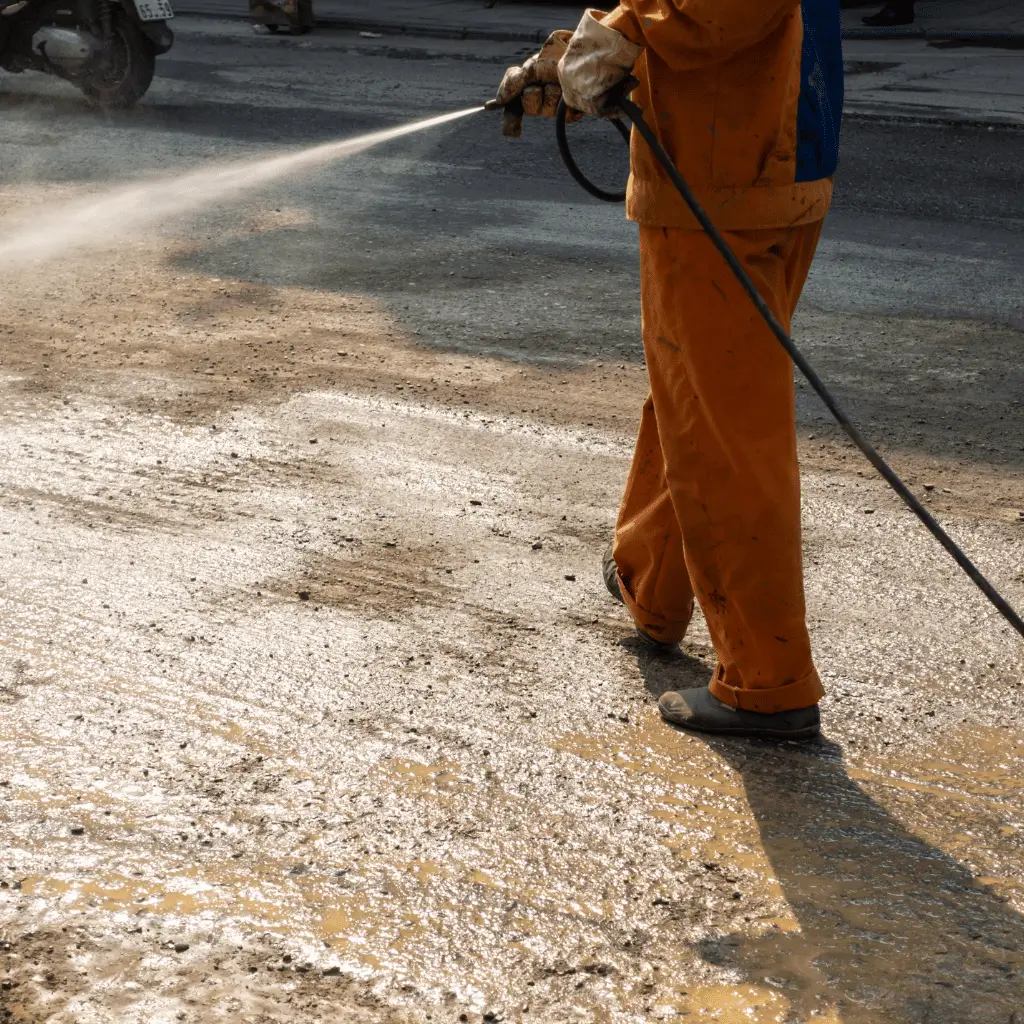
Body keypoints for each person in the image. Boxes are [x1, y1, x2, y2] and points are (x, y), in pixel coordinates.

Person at [492, 2, 844, 740]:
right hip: (765, 154)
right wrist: (582, 53)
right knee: (697, 396)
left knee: (723, 435)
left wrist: (627, 33)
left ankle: (767, 684)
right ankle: (648, 580)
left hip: (724, 175)